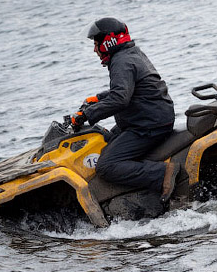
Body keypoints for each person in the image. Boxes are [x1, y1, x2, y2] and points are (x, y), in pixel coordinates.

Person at [70, 17, 179, 200]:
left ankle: (161, 175)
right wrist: (98, 98)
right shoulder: (130, 53)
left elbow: (120, 99)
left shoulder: (121, 61)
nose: (95, 49)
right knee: (105, 139)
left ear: (109, 41)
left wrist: (87, 114)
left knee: (106, 165)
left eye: (97, 43)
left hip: (148, 124)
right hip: (148, 117)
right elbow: (127, 89)